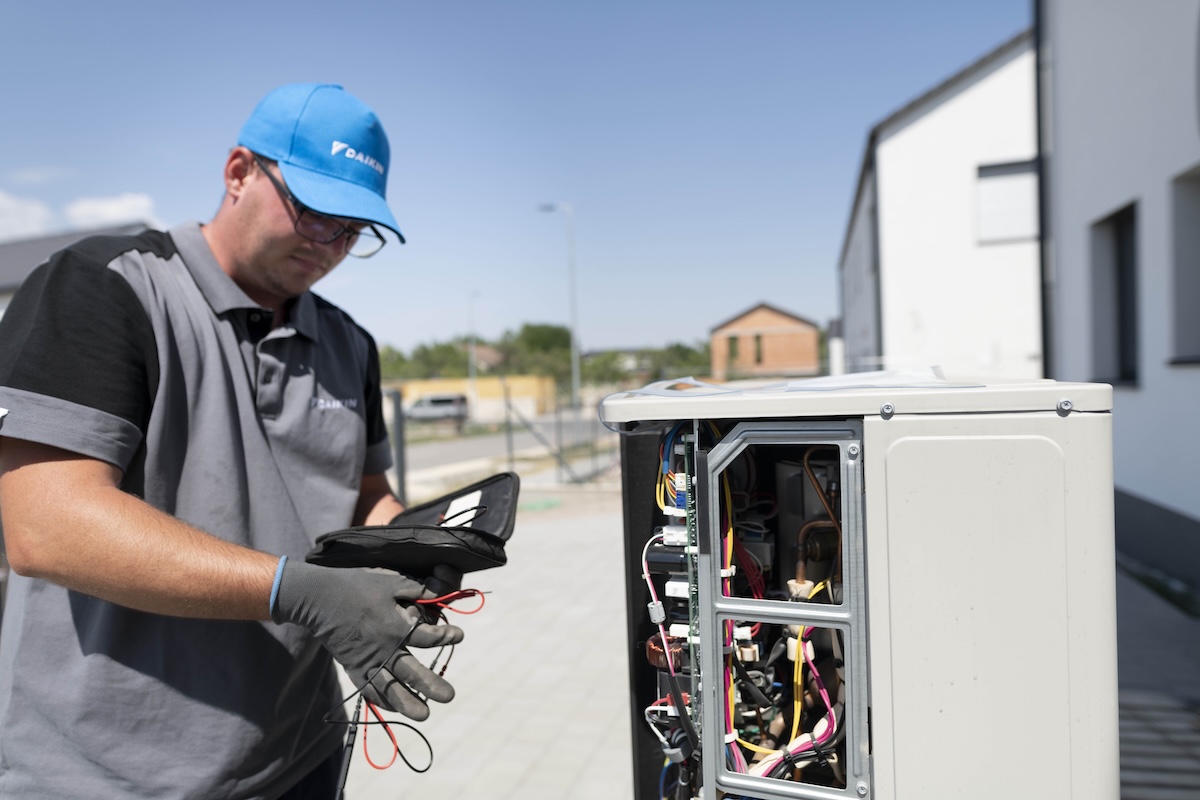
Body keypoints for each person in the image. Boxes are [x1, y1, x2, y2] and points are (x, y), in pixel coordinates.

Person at [0, 83, 463, 799]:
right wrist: (299, 592)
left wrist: (416, 549)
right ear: (239, 171)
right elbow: (44, 526)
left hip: (300, 750)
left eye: (353, 230)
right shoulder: (107, 287)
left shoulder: (349, 343)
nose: (331, 245)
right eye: (315, 213)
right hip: (109, 772)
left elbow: (364, 496)